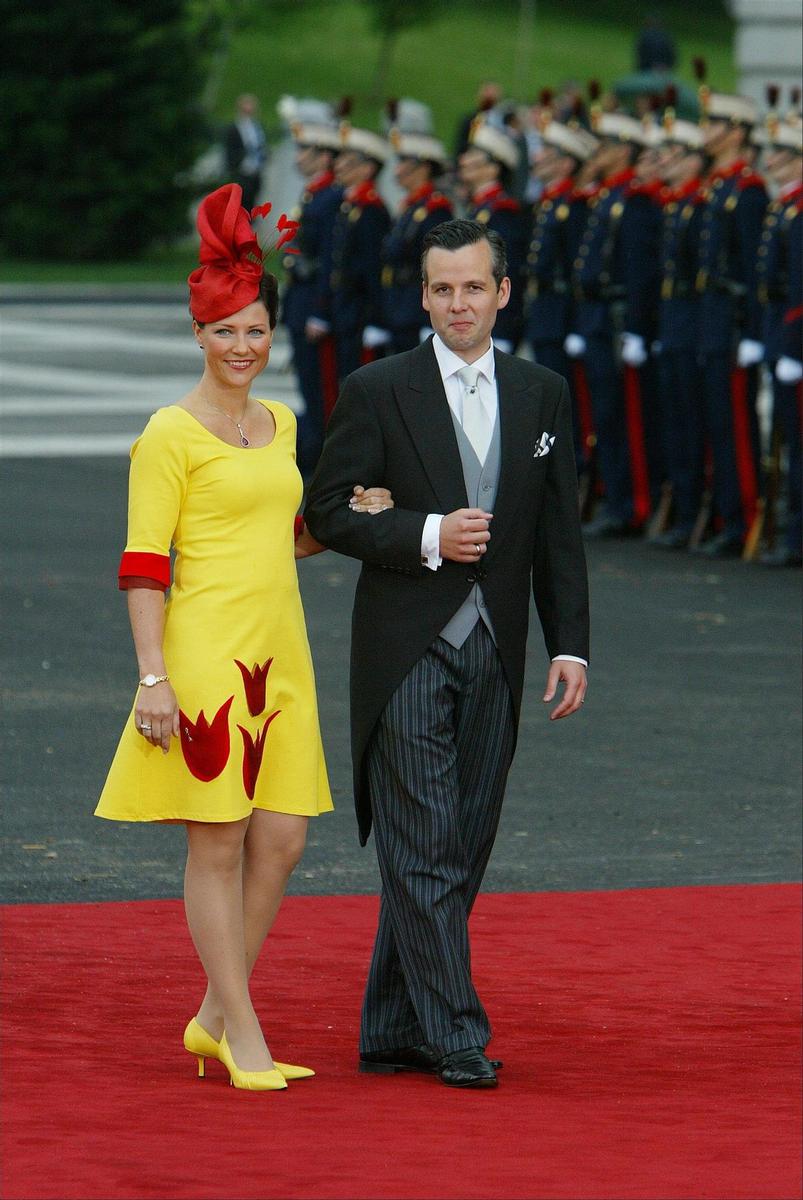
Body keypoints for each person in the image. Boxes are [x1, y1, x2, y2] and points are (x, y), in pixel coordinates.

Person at [95, 183, 393, 1092]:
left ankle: (213, 1016)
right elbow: (145, 564)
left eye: (255, 330)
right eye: (224, 330)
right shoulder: (167, 435)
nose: (241, 347)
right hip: (198, 652)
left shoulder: (282, 423)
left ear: (272, 334)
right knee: (216, 841)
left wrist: (349, 517)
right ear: (198, 334)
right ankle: (242, 1033)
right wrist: (153, 679)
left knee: (285, 839)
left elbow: (286, 535)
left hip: (279, 652)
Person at [305, 219, 589, 1089]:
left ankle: (391, 1026)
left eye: (472, 287)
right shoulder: (376, 388)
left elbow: (556, 533)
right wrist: (425, 531)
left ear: (502, 293)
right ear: (422, 296)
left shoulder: (541, 393)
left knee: (458, 846)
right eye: (440, 289)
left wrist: (569, 646)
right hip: (402, 649)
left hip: (497, 649)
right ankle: (454, 1032)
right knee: (422, 842)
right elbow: (326, 512)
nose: (456, 304)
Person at [692, 84, 767, 557]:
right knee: (715, 423)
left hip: (733, 322)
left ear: (737, 132)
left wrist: (754, 333)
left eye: (715, 124)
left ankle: (745, 521)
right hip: (709, 318)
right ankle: (724, 515)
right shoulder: (719, 187)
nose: (707, 132)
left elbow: (754, 269)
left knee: (736, 427)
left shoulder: (749, 192)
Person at [281, 120, 343, 476]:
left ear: (324, 156)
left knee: (321, 393)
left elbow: (329, 261)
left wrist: (320, 311)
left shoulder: (331, 197)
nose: (299, 157)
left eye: (306, 150)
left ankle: (321, 464)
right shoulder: (314, 194)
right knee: (309, 386)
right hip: (301, 303)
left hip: (314, 306)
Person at [309, 124, 391, 383]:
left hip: (360, 312)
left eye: (348, 161)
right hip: (344, 308)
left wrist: (376, 319)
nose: (339, 165)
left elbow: (372, 267)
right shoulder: (349, 206)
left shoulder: (370, 210)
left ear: (367, 168)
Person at [756, 113, 802, 567]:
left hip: (795, 340)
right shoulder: (784, 206)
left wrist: (793, 345)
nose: (773, 162)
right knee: (788, 439)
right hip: (778, 334)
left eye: (783, 155)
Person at [379, 130, 453, 353]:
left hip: (415, 306)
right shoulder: (411, 207)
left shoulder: (434, 209)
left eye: (404, 163)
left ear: (423, 168)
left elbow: (436, 263)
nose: (398, 170)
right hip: (399, 303)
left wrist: (427, 318)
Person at [459, 118, 529, 353]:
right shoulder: (479, 209)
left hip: (495, 325)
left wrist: (503, 328)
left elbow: (507, 272)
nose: (464, 160)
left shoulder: (501, 212)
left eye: (474, 156)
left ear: (493, 168)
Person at [223, 94, 268, 212]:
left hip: (256, 171)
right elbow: (230, 151)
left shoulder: (257, 127)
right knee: (241, 202)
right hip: (241, 172)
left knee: (253, 201)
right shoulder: (234, 128)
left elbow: (261, 145)